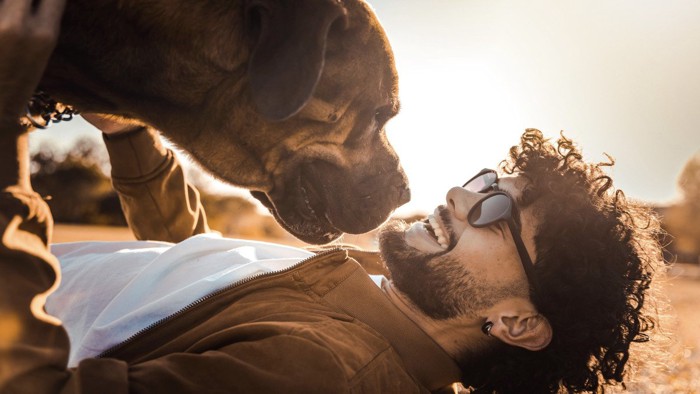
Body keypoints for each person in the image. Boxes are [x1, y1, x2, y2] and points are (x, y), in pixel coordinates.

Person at [0, 1, 665, 392]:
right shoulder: (370, 296)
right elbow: (203, 275)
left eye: (496, 210)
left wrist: (6, 124)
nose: (463, 195)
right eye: (484, 181)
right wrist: (130, 136)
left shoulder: (333, 374)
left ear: (517, 323)